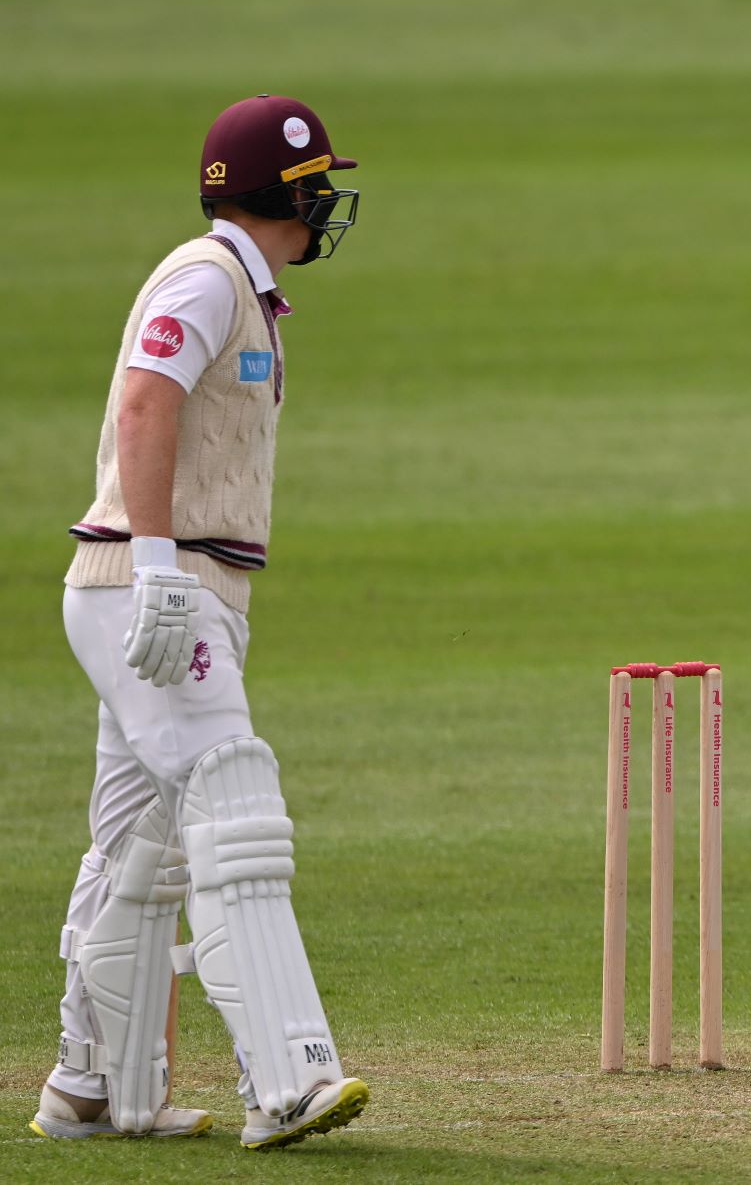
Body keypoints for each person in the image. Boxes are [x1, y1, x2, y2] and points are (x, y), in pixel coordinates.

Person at [33, 94, 370, 1148]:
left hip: (169, 583)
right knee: (234, 799)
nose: (329, 203)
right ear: (282, 193)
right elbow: (144, 402)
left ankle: (94, 1088)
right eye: (319, 184)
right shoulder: (206, 276)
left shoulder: (245, 291)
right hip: (153, 582)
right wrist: (162, 569)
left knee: (137, 839)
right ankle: (291, 1077)